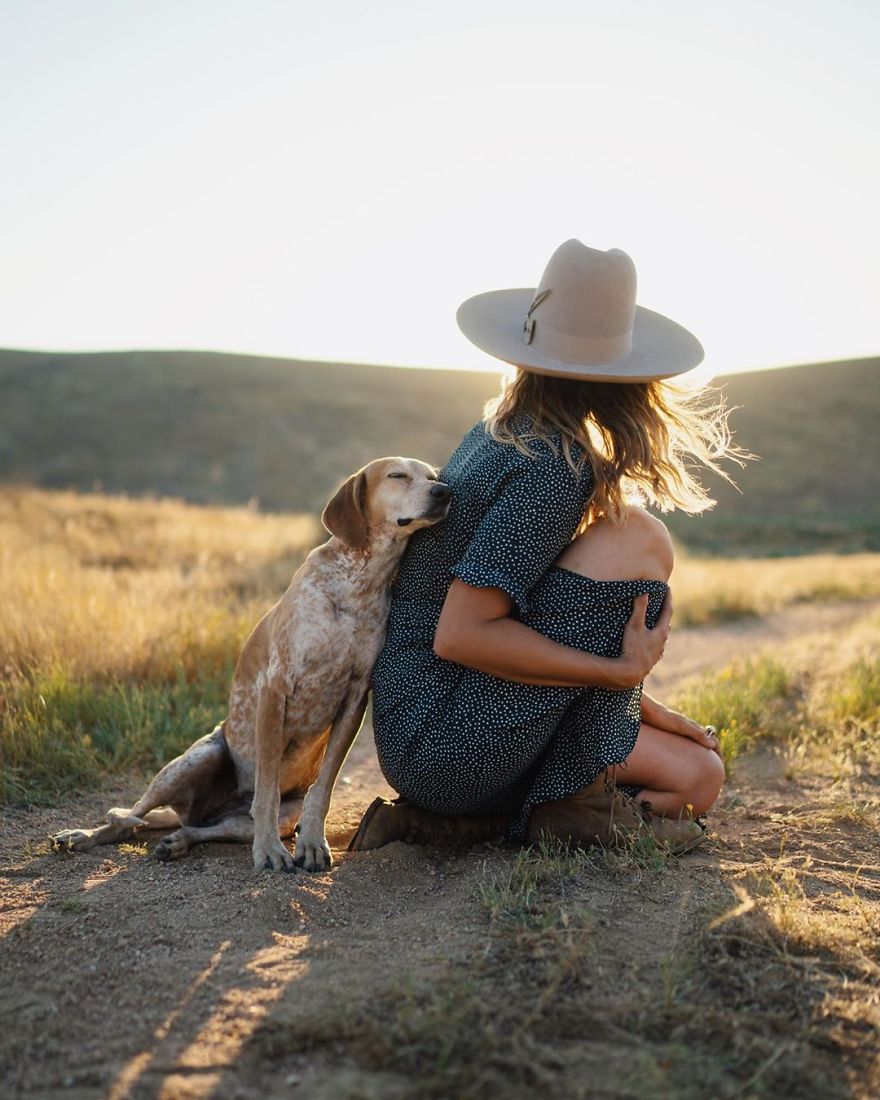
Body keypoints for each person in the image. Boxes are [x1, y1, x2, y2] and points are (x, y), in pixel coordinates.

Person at [348, 240, 740, 855]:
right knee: (639, 537)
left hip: (421, 731)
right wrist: (619, 673)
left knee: (699, 774)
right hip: (447, 745)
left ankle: (480, 820)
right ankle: (557, 811)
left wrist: (647, 705)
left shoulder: (502, 431)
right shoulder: (555, 467)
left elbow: (548, 622)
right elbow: (463, 635)